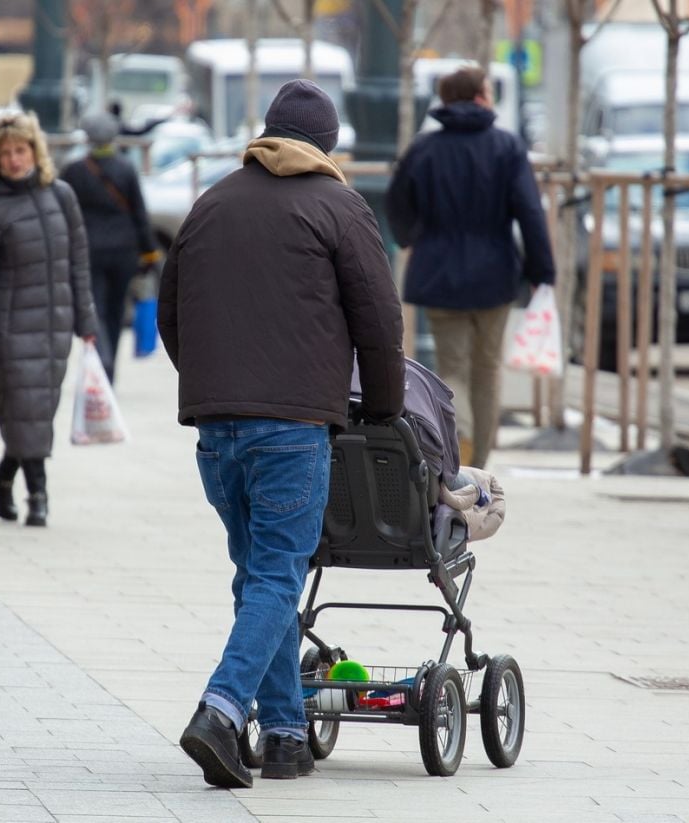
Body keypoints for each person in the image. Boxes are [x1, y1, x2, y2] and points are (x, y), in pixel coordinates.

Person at [158, 79, 405, 787]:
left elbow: (171, 310)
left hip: (217, 427)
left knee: (257, 576)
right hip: (293, 427)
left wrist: (212, 387)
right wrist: (384, 409)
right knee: (275, 574)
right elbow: (380, 322)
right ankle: (222, 709)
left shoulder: (211, 203)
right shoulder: (340, 206)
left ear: (267, 133)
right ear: (327, 146)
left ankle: (289, 734)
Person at [387, 66, 554, 469]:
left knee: (452, 367)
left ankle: (457, 443)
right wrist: (541, 272)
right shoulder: (507, 147)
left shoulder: (424, 148)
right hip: (495, 273)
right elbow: (530, 212)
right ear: (480, 97)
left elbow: (396, 202)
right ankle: (480, 460)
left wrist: (412, 236)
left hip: (439, 272)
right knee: (487, 367)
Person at [0, 112, 97, 528]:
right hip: (10, 331)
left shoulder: (61, 196)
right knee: (25, 411)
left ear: (34, 151)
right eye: (5, 153)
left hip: (54, 329)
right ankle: (38, 495)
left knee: (36, 413)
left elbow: (78, 262)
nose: (14, 159)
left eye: (20, 150)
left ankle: (3, 478)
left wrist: (87, 320)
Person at [60, 111, 160, 383]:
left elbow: (63, 214)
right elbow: (140, 214)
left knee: (96, 308)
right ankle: (109, 368)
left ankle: (100, 357)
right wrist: (149, 253)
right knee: (116, 310)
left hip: (87, 251)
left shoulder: (74, 171)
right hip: (124, 252)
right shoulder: (126, 168)